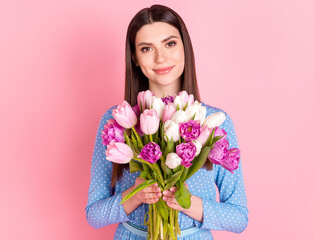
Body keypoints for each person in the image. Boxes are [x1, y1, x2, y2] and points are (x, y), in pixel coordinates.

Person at [85, 4, 248, 239]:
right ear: (135, 58)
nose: (161, 57)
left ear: (185, 48)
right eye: (146, 48)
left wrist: (188, 203)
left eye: (170, 43)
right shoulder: (118, 122)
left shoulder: (213, 123)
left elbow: (239, 218)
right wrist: (136, 194)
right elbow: (94, 214)